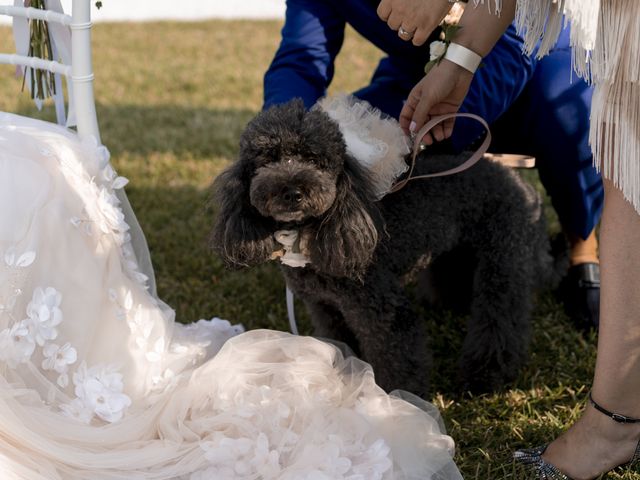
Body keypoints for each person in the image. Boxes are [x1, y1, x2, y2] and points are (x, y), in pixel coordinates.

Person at [378, 0, 640, 478]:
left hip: (546, 63)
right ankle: (617, 419)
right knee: (629, 157)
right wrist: (459, 61)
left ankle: (615, 422)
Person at [263, 0, 604, 331]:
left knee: (566, 115)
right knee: (352, 135)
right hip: (419, 74)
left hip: (534, 55)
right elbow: (302, 58)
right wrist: (283, 140)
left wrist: (424, 128)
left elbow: (521, 30)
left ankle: (583, 248)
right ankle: (362, 244)